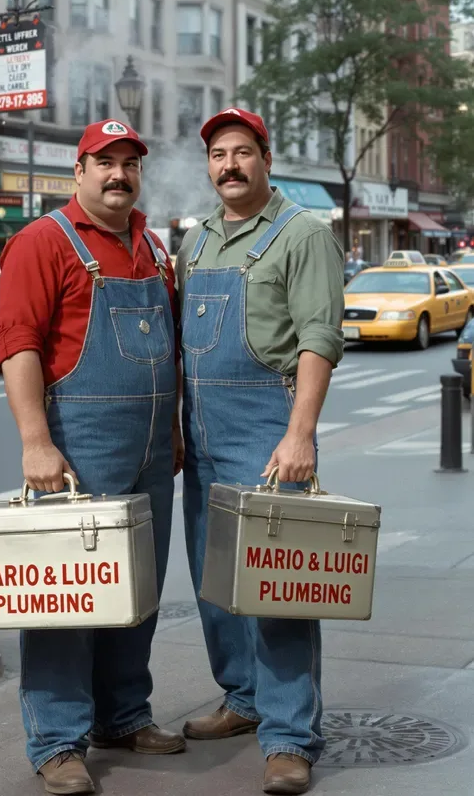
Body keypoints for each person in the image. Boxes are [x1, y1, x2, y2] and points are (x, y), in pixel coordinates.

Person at [0, 118, 185, 795]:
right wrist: (35, 441)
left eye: (130, 163)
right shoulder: (42, 241)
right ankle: (57, 740)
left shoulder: (152, 246)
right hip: (78, 445)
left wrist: (173, 431)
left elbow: (171, 349)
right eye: (105, 162)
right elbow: (18, 343)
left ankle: (123, 715)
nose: (118, 175)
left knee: (138, 586)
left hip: (152, 447)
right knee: (66, 595)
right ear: (78, 171)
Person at [175, 108, 344, 796]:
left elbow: (319, 338)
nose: (230, 165)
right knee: (216, 580)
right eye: (219, 154)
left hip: (268, 432)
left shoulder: (303, 234)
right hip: (203, 436)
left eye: (243, 152)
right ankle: (243, 698)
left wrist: (299, 433)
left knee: (278, 589)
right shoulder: (196, 241)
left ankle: (289, 737)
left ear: (266, 159)